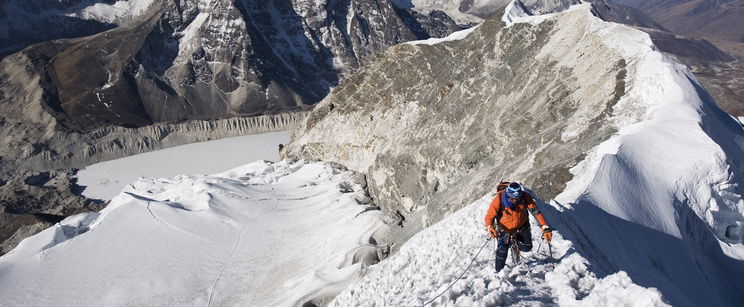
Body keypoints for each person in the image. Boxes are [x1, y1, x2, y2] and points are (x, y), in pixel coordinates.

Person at [484, 182, 552, 272]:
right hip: (505, 229)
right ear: (508, 196)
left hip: (522, 226)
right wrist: (490, 227)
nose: (515, 200)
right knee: (502, 250)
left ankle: (514, 244)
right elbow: (489, 216)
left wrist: (544, 226)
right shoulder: (498, 199)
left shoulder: (525, 197)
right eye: (513, 199)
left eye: (517, 198)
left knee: (527, 247)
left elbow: (536, 212)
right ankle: (498, 272)